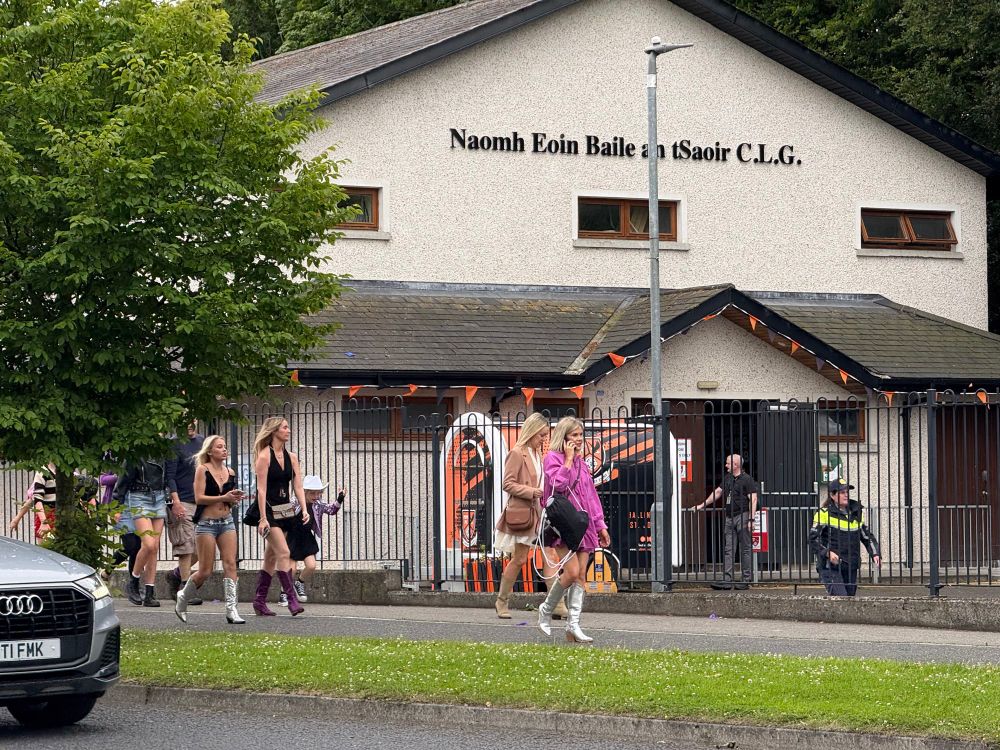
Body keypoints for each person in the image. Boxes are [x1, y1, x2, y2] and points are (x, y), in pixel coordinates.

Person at [537, 416, 610, 643]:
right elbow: (558, 486)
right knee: (570, 572)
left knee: (580, 575)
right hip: (562, 524)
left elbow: (591, 497)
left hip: (583, 524)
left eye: (580, 435)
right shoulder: (552, 458)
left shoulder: (582, 463)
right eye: (574, 435)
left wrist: (600, 525)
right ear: (564, 437)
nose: (579, 439)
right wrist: (568, 460)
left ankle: (573, 625)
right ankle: (546, 609)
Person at [175, 435, 246, 624]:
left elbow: (228, 498)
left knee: (230, 564)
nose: (224, 450)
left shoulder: (230, 471)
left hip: (226, 521)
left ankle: (232, 609)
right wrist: (224, 497)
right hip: (207, 524)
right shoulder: (202, 469)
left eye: (225, 446)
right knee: (205, 571)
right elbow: (199, 498)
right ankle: (183, 596)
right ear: (210, 451)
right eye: (220, 447)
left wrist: (234, 498)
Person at [251, 417, 309, 616]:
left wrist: (304, 509)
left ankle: (259, 601)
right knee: (284, 552)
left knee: (271, 557)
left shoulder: (292, 457)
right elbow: (261, 490)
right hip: (268, 510)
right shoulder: (264, 456)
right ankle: (291, 599)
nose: (288, 430)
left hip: (285, 510)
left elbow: (298, 486)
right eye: (284, 427)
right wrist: (262, 518)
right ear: (274, 431)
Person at [494, 412, 549, 619]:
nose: (544, 439)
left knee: (550, 556)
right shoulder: (517, 453)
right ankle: (502, 600)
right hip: (525, 513)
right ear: (532, 432)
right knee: (519, 559)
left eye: (545, 435)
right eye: (541, 435)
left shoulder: (536, 453)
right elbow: (507, 483)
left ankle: (557, 604)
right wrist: (531, 492)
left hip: (539, 512)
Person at [809, 478, 881, 596]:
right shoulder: (823, 514)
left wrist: (875, 553)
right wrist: (828, 553)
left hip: (850, 565)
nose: (846, 495)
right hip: (831, 566)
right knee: (841, 598)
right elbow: (813, 539)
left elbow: (866, 536)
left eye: (847, 492)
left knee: (850, 600)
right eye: (842, 492)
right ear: (832, 495)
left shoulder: (856, 512)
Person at [695, 454, 758, 590]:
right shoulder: (728, 478)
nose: (726, 465)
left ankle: (745, 579)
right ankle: (727, 579)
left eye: (728, 463)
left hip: (743, 515)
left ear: (736, 465)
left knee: (745, 549)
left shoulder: (747, 479)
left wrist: (751, 519)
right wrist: (702, 505)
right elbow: (718, 492)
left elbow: (753, 499)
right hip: (730, 517)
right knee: (729, 549)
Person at [280, 475, 346, 606]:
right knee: (291, 569)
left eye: (318, 493)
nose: (316, 496)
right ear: (304, 492)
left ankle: (299, 583)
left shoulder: (318, 504)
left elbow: (331, 510)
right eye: (312, 493)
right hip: (292, 537)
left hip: (306, 537)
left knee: (311, 565)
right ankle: (283, 593)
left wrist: (340, 498)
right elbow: (279, 514)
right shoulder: (294, 502)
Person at [114, 456, 169, 607]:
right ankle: (133, 580)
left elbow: (169, 476)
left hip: (159, 497)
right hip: (139, 497)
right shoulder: (136, 453)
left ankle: (149, 593)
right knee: (149, 544)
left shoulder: (164, 452)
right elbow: (123, 479)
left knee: (154, 548)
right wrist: (117, 505)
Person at [164, 422, 203, 604]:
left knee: (202, 548)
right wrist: (176, 502)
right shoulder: (174, 444)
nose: (189, 423)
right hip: (182, 501)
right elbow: (170, 476)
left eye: (192, 419)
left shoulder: (202, 442)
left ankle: (175, 575)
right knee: (186, 546)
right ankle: (186, 589)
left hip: (201, 502)